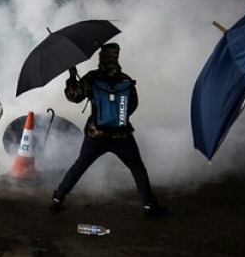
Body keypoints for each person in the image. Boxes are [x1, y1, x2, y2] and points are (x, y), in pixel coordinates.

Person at [50, 43, 167, 217]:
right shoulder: (125, 79)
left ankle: (58, 198)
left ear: (101, 58)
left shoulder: (92, 78)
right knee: (137, 167)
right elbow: (132, 105)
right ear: (116, 58)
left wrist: (72, 78)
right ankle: (149, 204)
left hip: (95, 134)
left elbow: (73, 96)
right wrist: (117, 117)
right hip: (122, 135)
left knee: (80, 165)